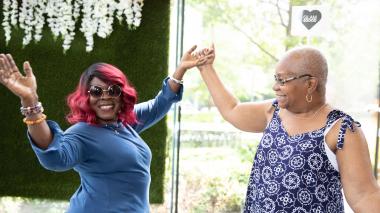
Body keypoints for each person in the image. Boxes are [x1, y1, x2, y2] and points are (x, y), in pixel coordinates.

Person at [0, 45, 210, 212]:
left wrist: (181, 69)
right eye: (96, 91)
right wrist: (30, 101)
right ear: (86, 97)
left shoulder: (125, 121)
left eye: (113, 89)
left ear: (122, 94)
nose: (105, 96)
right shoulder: (81, 133)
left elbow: (160, 104)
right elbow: (54, 156)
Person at [196, 44, 380, 212]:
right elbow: (232, 110)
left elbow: (364, 197)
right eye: (276, 79)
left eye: (283, 80)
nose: (275, 87)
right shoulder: (273, 112)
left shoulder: (341, 130)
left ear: (310, 84)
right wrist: (206, 68)